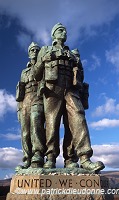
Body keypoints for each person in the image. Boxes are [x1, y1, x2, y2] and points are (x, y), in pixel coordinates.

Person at [34, 23, 105, 173]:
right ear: (54, 34)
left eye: (65, 30)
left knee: (78, 118)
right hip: (53, 88)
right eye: (60, 30)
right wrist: (42, 61)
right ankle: (51, 157)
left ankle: (81, 158)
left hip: (71, 89)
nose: (64, 32)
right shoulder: (45, 50)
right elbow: (36, 74)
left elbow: (81, 74)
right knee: (52, 123)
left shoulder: (72, 54)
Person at [16, 42, 45, 169]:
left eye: (36, 50)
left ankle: (38, 154)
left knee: (36, 124)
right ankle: (27, 158)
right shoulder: (24, 72)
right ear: (29, 53)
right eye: (32, 50)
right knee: (25, 132)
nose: (34, 51)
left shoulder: (43, 67)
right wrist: (19, 109)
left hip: (38, 98)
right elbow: (20, 92)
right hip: (25, 101)